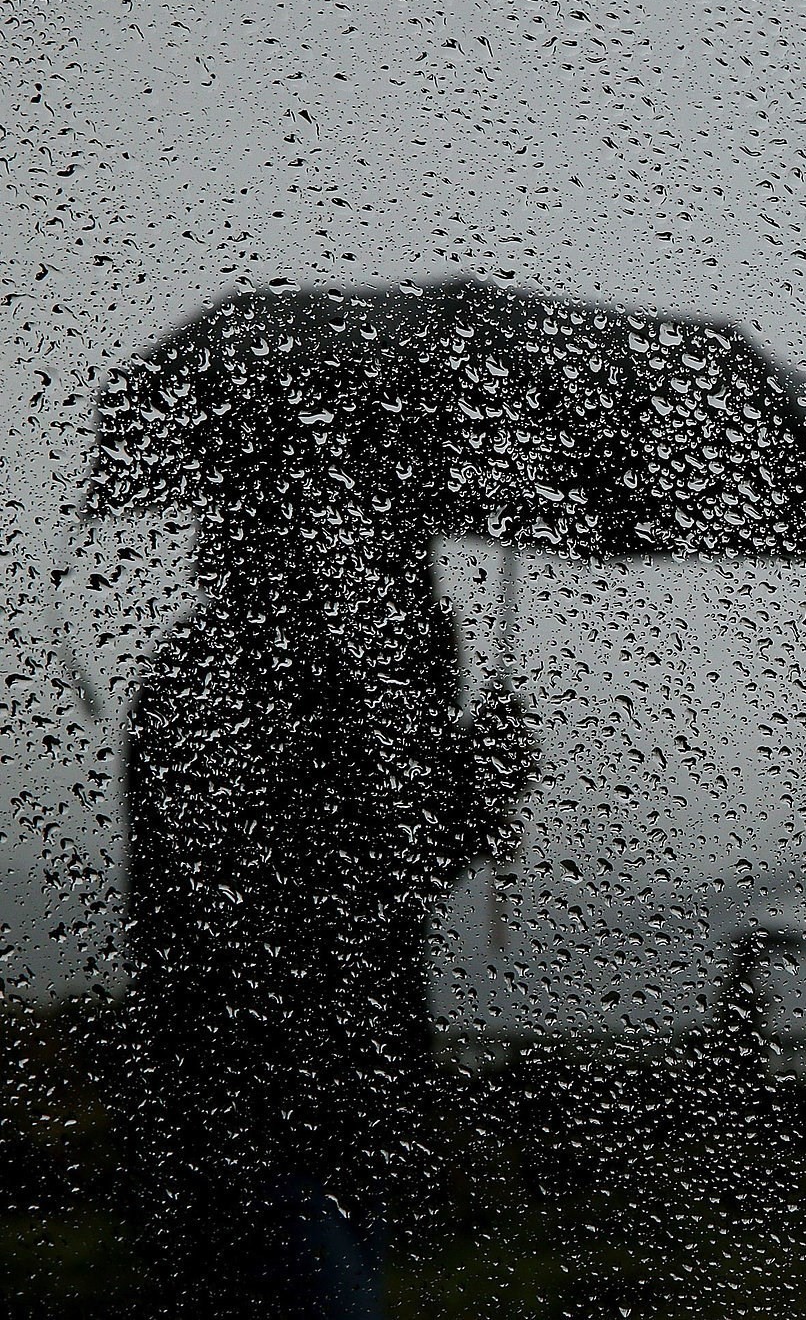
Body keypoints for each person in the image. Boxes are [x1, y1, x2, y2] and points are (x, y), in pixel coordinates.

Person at [121, 495, 536, 1320]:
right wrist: (466, 784)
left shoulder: (262, 679)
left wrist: (470, 784)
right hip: (249, 1120)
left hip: (325, 1113)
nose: (430, 614)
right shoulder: (231, 685)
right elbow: (308, 893)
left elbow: (372, 885)